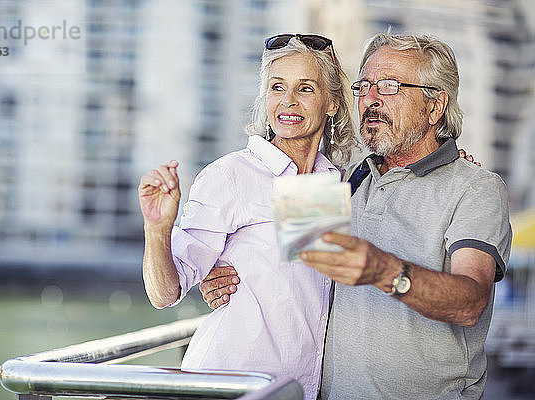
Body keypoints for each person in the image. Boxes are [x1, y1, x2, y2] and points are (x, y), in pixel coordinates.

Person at [200, 33, 512, 399]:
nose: (371, 99)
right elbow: (289, 273)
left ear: (434, 106)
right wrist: (221, 273)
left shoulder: (476, 187)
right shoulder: (339, 178)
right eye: (364, 86)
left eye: (390, 86)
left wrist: (383, 270)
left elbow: (471, 300)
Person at [138, 34, 357, 399]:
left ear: (332, 102)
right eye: (277, 87)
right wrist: (158, 230)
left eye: (305, 88)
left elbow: (304, 292)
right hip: (227, 383)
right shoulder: (232, 175)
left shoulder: (325, 179)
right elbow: (165, 293)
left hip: (292, 390)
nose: (288, 101)